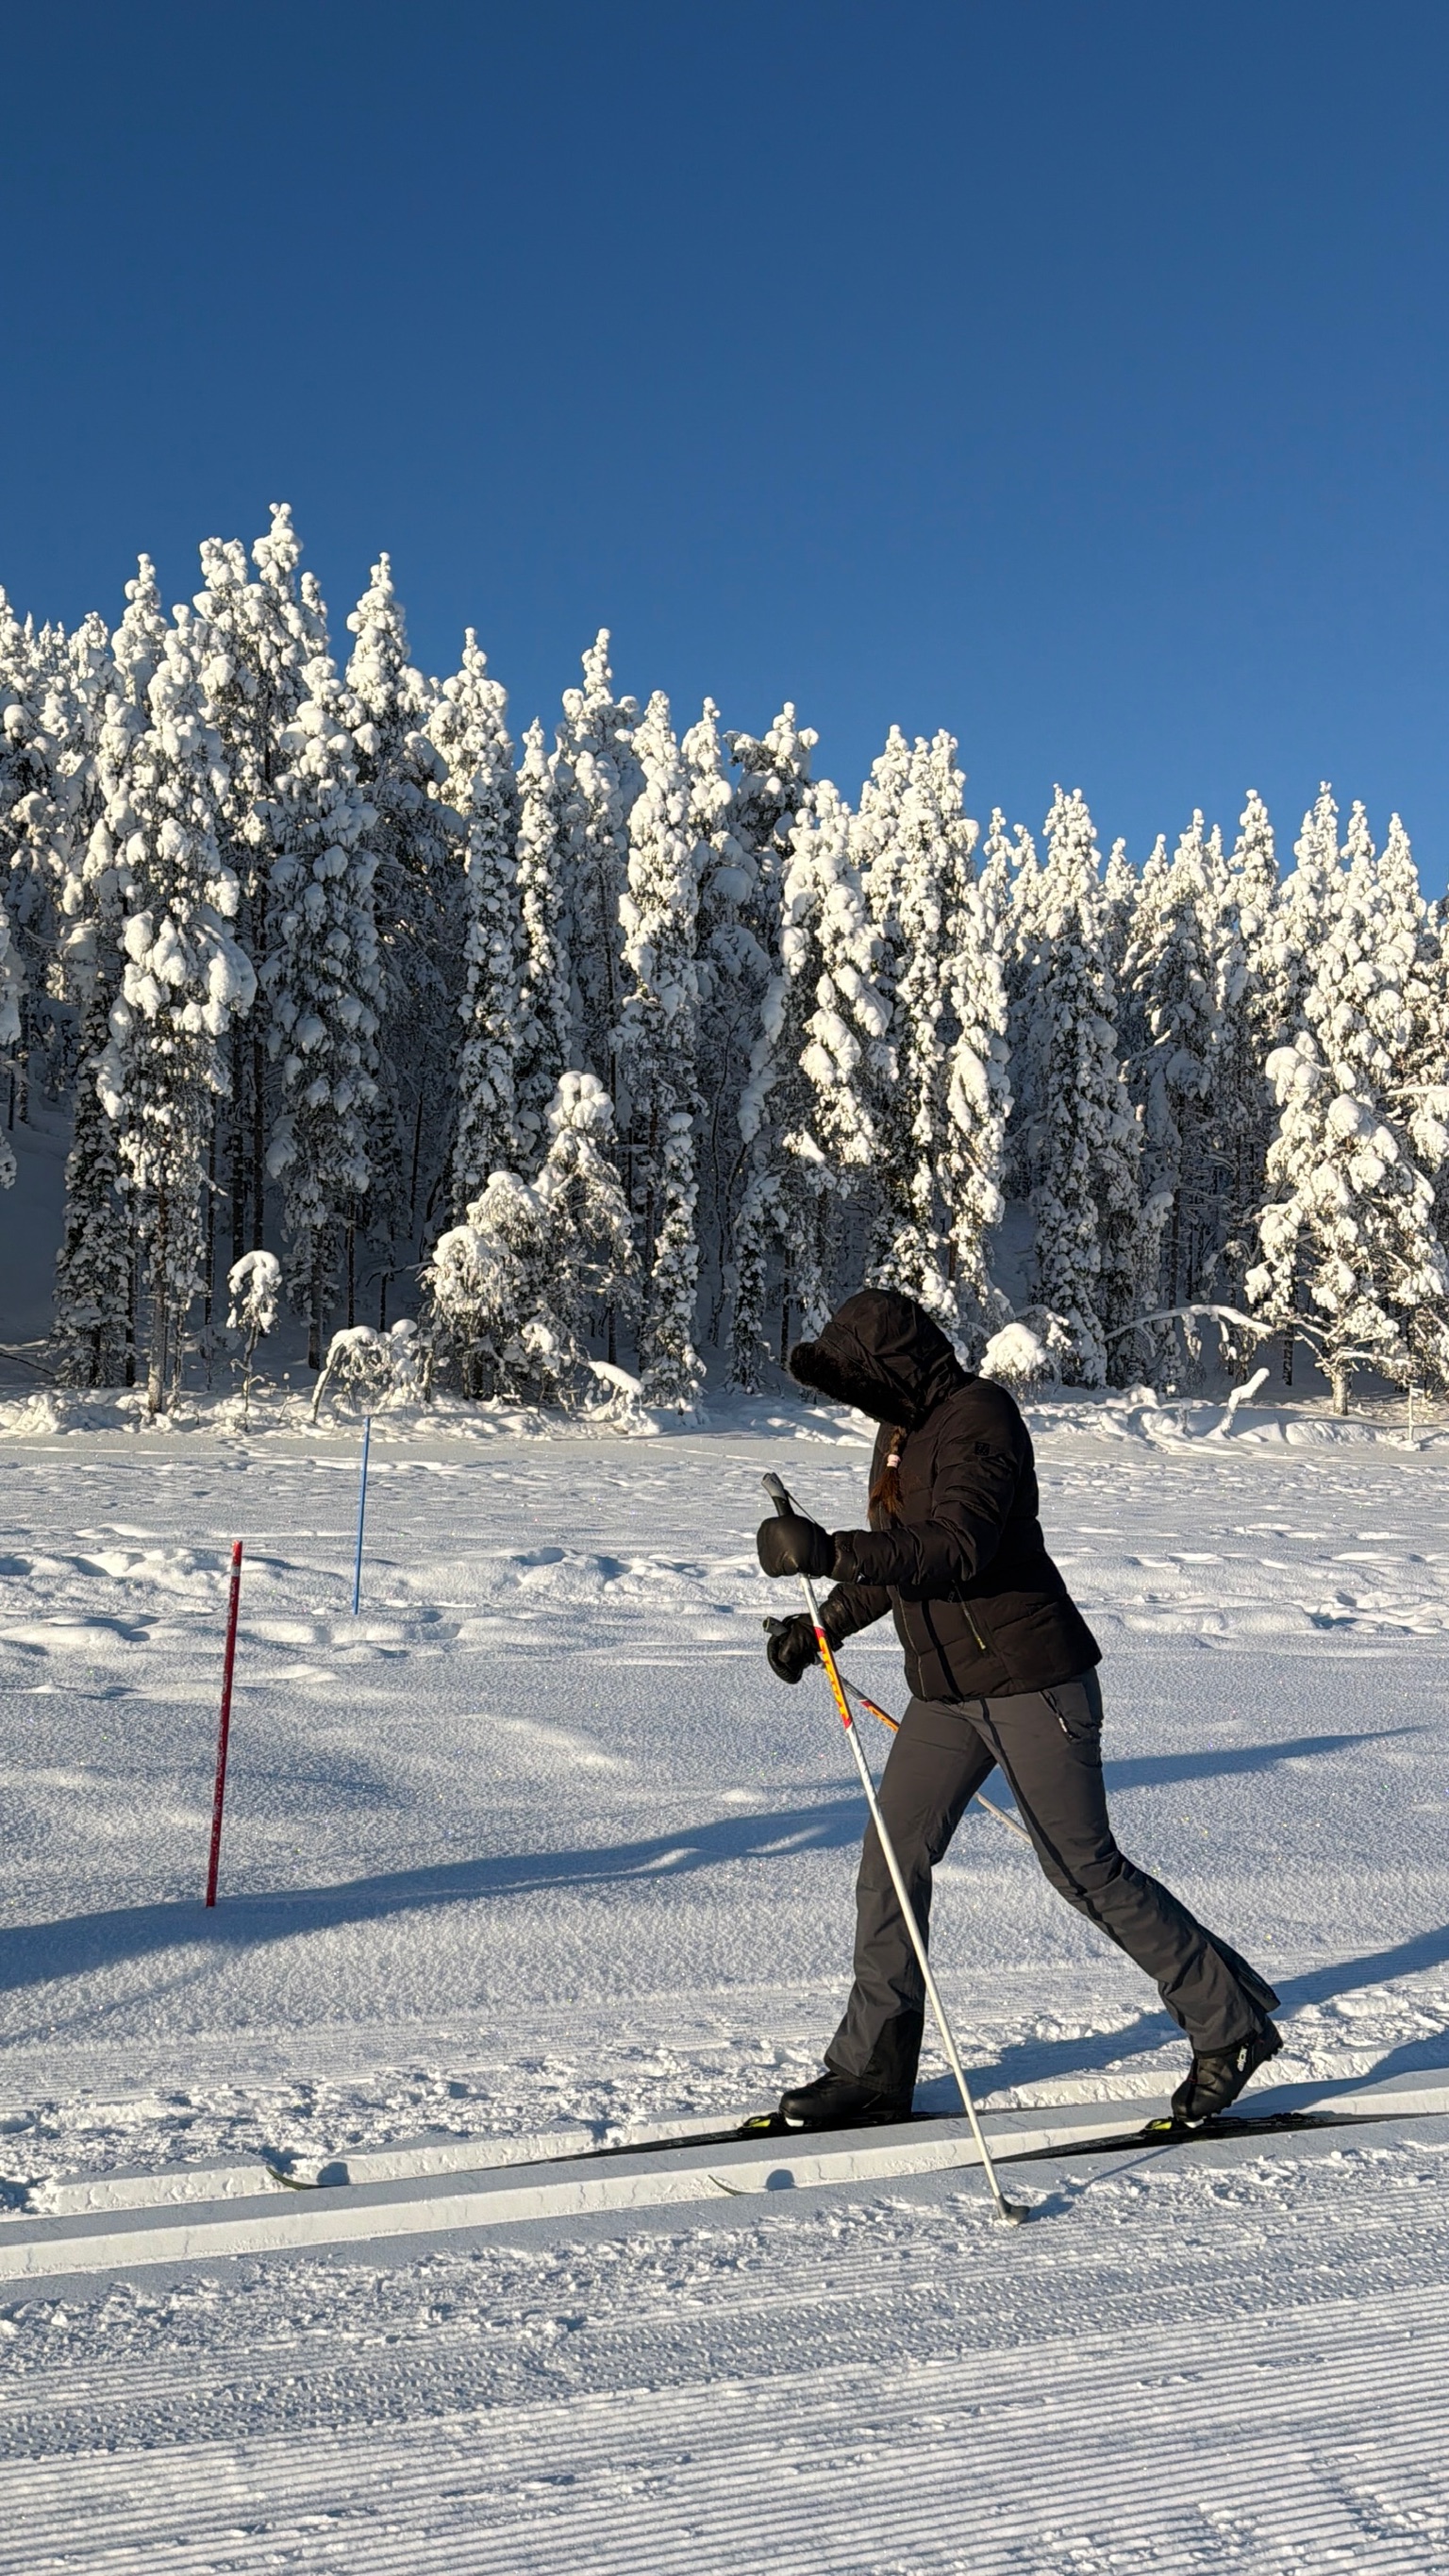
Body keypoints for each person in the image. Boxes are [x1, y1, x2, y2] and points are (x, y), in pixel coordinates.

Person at [757, 1286, 1281, 2132]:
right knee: (890, 1861)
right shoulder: (896, 1436)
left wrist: (827, 1551)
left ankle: (1231, 2028)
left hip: (1035, 1681)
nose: (861, 1405)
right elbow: (899, 1566)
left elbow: (958, 1545)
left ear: (898, 1366)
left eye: (864, 1383)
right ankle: (873, 2069)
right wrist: (823, 1625)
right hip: (947, 1697)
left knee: (1083, 1871)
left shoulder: (981, 1419)